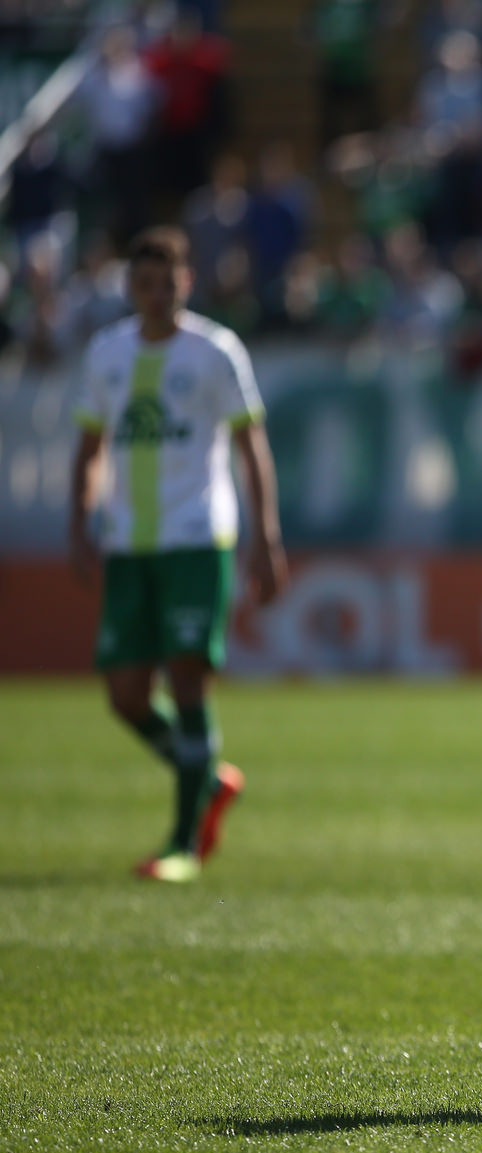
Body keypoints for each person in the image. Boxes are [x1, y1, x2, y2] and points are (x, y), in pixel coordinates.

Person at [68, 226, 289, 882]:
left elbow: (252, 446)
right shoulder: (107, 353)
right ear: (130, 287)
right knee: (127, 695)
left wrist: (266, 536)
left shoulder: (215, 352)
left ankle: (183, 844)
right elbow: (90, 448)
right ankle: (209, 779)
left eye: (168, 283)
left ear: (186, 284)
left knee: (188, 677)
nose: (156, 296)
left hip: (197, 536)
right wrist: (80, 521)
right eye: (144, 284)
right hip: (130, 542)